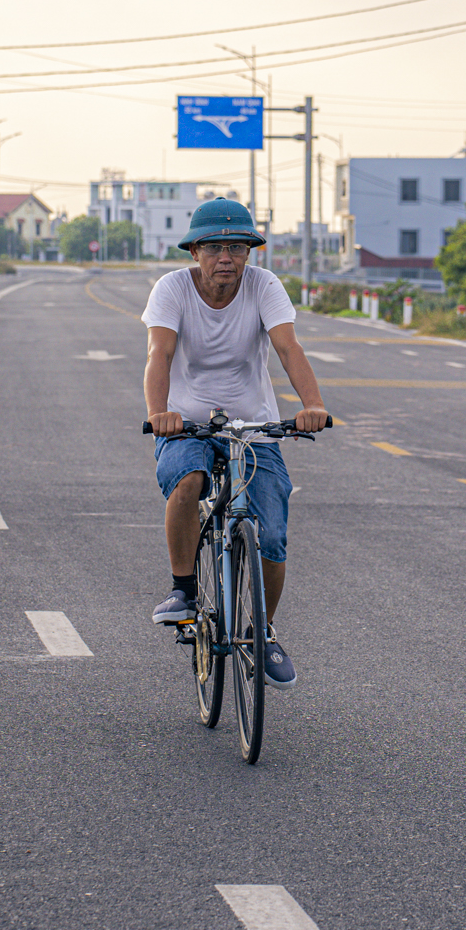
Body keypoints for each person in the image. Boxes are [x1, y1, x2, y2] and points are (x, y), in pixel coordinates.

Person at [143, 198, 328, 689]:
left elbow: (288, 347)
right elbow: (159, 352)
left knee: (270, 532)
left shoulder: (264, 285)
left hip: (254, 425)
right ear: (196, 250)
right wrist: (159, 414)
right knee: (190, 480)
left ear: (250, 252)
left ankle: (261, 631)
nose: (227, 258)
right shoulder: (172, 289)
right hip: (187, 423)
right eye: (216, 247)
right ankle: (184, 591)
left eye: (239, 247)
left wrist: (312, 405)